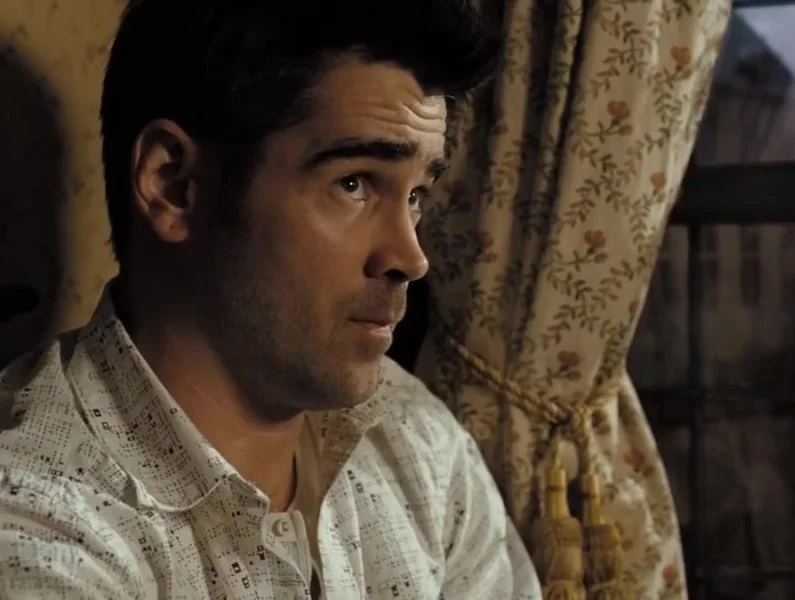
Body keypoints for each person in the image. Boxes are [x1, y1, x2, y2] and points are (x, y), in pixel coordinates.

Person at [0, 0, 541, 598]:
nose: (411, 258)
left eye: (415, 195)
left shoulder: (418, 442)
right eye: (354, 183)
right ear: (174, 185)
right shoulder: (35, 528)